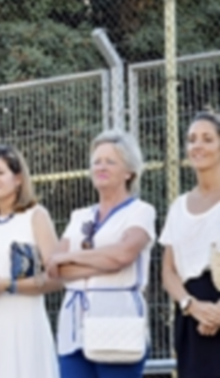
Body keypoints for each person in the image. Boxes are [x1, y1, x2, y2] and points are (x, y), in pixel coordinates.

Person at [47, 129, 156, 378]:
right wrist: (102, 262)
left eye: (110, 161)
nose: (101, 167)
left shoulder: (141, 212)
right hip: (73, 330)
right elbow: (55, 268)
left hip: (117, 326)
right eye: (96, 161)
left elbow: (122, 255)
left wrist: (70, 257)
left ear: (129, 171)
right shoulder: (79, 216)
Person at [0, 145, 60, 378]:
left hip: (24, 324)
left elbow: (57, 277)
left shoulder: (36, 216)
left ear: (18, 179)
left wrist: (7, 285)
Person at [160, 112, 220, 377]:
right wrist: (191, 306)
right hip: (190, 315)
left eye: (207, 139)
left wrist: (217, 313)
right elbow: (168, 271)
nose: (198, 145)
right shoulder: (178, 207)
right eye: (192, 139)